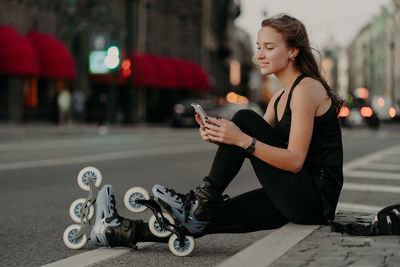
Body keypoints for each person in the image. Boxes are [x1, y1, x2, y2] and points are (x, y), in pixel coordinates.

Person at [91, 14, 344, 248]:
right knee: (203, 219)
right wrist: (222, 137)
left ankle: (202, 199)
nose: (260, 55)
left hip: (314, 201)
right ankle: (120, 231)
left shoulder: (306, 89)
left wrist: (240, 138)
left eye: (269, 47)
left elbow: (294, 160)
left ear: (292, 51)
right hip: (296, 194)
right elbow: (254, 145)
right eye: (258, 47)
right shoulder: (279, 97)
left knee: (244, 118)